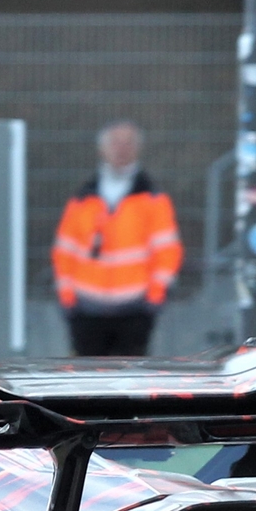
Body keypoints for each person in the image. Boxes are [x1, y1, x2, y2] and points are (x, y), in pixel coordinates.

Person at [52, 120, 183, 357]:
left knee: (131, 383)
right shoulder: (82, 200)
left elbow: (167, 251)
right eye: (115, 143)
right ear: (103, 149)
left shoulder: (153, 200)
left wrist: (155, 295)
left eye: (128, 143)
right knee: (85, 381)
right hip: (86, 308)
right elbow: (64, 250)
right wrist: (67, 296)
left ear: (138, 148)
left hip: (135, 308)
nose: (121, 149)